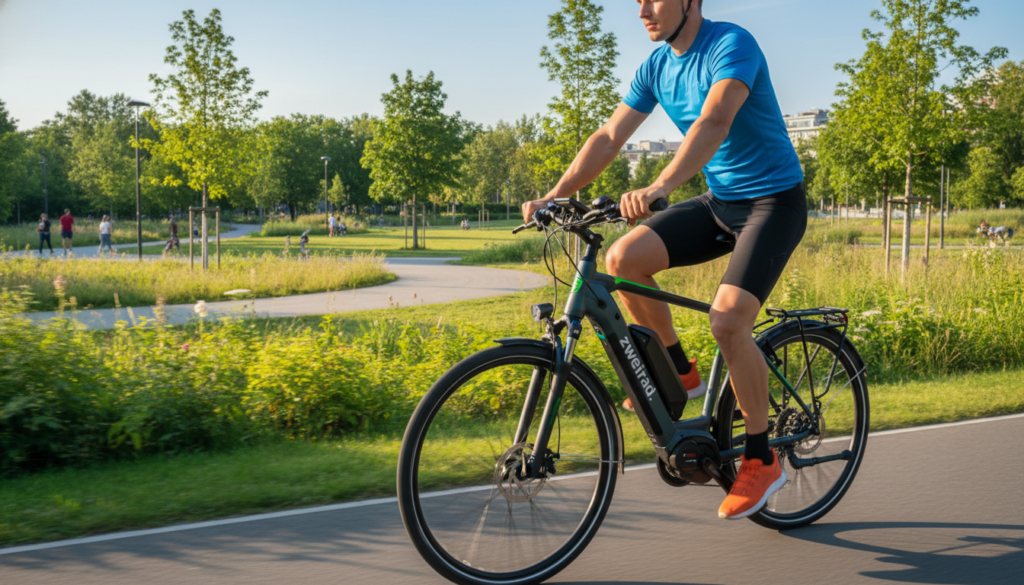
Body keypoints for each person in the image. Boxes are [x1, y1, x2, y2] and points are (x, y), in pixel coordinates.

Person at [522, 0, 804, 521]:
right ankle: (680, 373)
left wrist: (659, 186)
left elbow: (715, 121)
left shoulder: (731, 45)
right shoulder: (656, 66)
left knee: (728, 321)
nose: (643, 10)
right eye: (637, 0)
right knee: (624, 257)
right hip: (721, 202)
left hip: (773, 203)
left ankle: (761, 458)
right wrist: (555, 195)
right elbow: (609, 137)